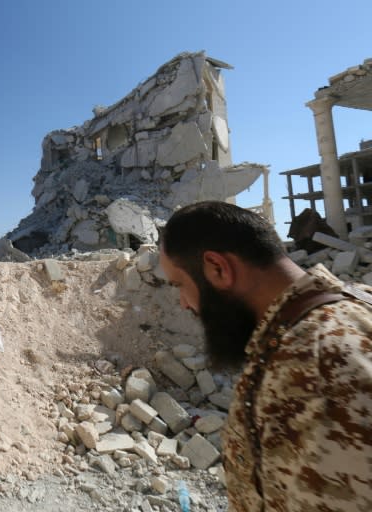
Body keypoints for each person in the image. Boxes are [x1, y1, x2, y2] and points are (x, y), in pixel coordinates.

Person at [158, 201, 372, 512]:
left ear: (217, 268)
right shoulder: (347, 308)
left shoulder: (315, 364)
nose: (183, 303)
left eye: (179, 285)